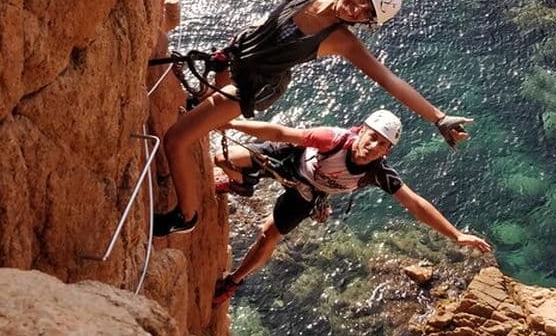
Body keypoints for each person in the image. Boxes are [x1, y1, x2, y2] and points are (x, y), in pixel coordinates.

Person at [152, 0, 474, 237]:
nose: (357, 10)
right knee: (201, 113)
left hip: (254, 87)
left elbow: (390, 80)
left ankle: (187, 216)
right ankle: (205, 154)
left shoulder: (340, 41)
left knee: (177, 139)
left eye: (366, 14)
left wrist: (438, 117)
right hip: (234, 60)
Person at [210, 110, 492, 305]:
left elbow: (415, 204)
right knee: (222, 156)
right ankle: (241, 183)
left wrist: (456, 235)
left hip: (309, 191)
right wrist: (233, 125)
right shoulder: (334, 139)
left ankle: (233, 281)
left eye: (381, 145)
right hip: (291, 159)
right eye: (372, 137)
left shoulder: (378, 173)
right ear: (361, 131)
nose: (372, 146)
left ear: (386, 152)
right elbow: (283, 132)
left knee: (268, 234)